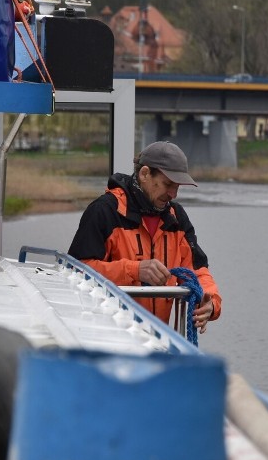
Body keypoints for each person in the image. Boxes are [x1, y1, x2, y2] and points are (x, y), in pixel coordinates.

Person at [68, 141, 221, 333]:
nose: (173, 194)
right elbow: (75, 272)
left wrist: (211, 302)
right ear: (145, 174)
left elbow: (196, 271)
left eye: (177, 187)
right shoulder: (105, 210)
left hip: (156, 343)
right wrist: (134, 270)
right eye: (168, 184)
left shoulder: (177, 217)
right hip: (106, 342)